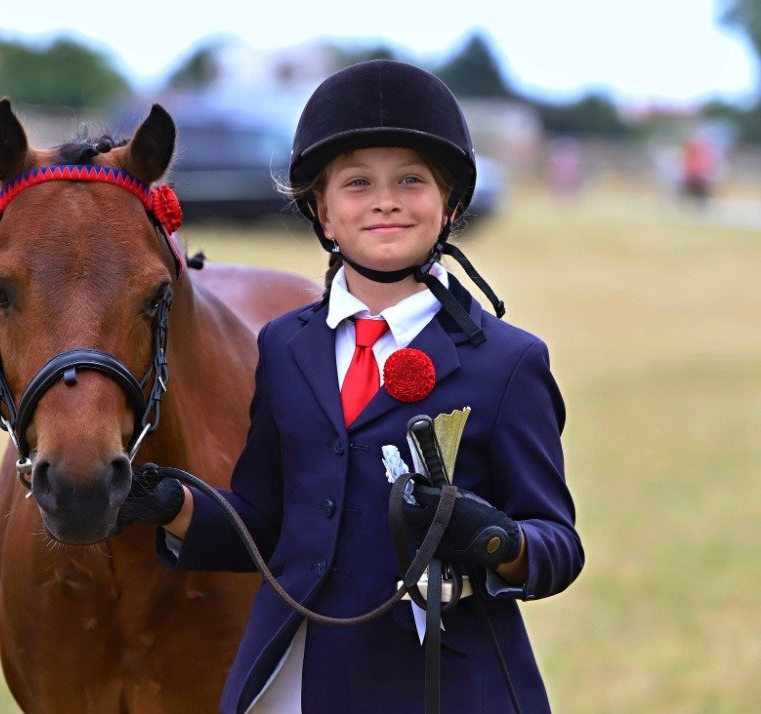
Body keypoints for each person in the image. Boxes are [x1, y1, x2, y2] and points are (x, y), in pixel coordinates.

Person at [113, 59, 584, 714]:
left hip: (438, 687)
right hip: (293, 680)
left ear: (448, 205)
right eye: (358, 183)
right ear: (322, 211)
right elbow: (269, 521)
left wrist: (496, 541)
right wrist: (173, 504)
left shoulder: (507, 363)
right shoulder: (283, 346)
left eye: (411, 181)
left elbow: (558, 545)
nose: (385, 200)